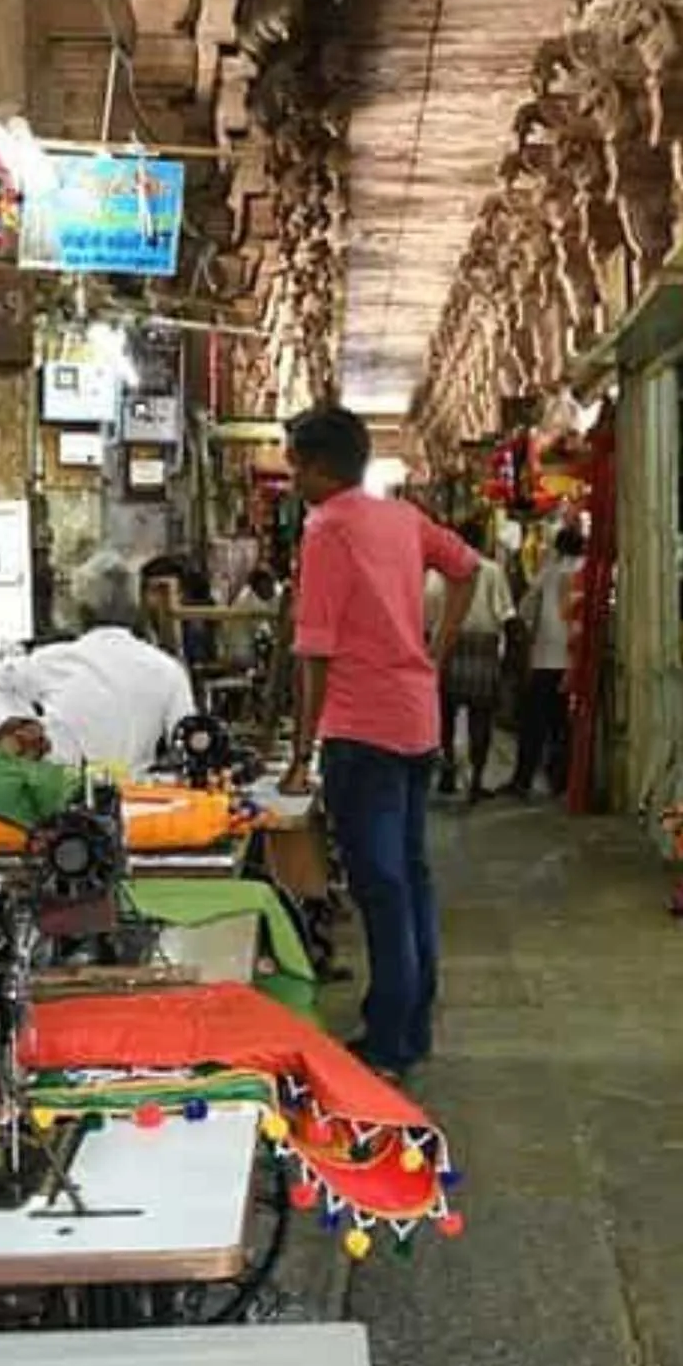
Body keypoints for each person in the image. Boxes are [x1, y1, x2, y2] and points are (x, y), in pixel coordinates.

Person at [278, 406, 476, 1078]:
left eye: (293, 461)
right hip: (415, 722)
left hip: (360, 730)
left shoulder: (326, 527)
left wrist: (300, 756)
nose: (288, 471)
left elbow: (314, 653)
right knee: (410, 879)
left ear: (319, 466)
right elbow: (465, 568)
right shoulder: (402, 518)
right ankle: (411, 1023)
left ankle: (389, 1038)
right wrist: (434, 649)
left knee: (381, 886)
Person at [0, 550, 195, 774]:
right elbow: (189, 736)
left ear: (82, 610)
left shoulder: (56, 659)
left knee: (1, 695)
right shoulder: (168, 669)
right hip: (139, 792)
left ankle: (17, 771)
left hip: (70, 788)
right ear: (136, 606)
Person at [428, 526, 514, 802]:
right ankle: (476, 780)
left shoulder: (436, 573)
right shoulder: (491, 570)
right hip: (483, 647)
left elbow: (427, 615)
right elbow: (506, 615)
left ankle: (447, 772)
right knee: (482, 718)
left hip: (446, 644)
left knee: (444, 716)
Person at [508, 524, 587, 799]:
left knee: (534, 724)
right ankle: (561, 781)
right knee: (563, 725)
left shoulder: (550, 572)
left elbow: (525, 608)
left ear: (558, 547)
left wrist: (529, 635)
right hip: (577, 659)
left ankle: (523, 780)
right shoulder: (586, 571)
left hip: (546, 659)